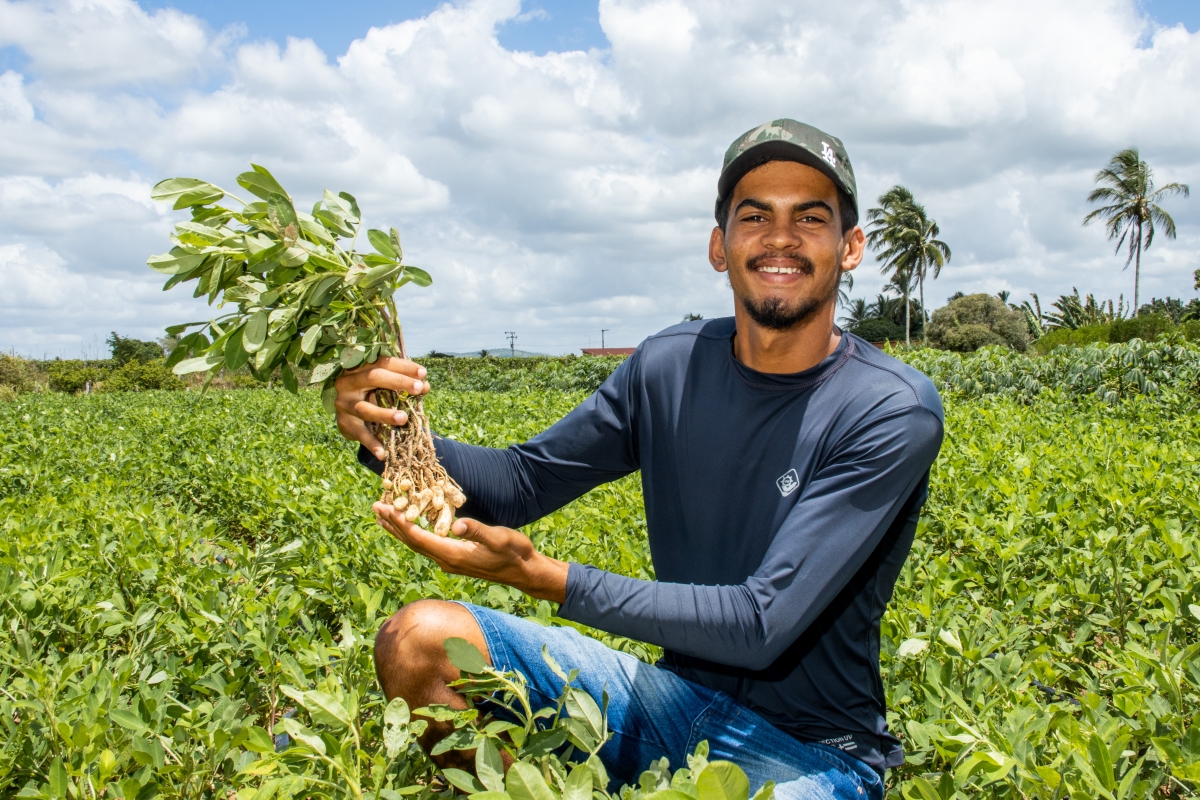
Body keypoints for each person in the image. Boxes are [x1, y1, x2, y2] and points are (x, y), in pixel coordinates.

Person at [334, 119, 944, 800]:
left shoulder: (888, 408)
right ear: (719, 246)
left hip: (811, 754)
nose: (780, 237)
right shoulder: (668, 368)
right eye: (755, 216)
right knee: (420, 640)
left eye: (810, 217)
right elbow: (520, 483)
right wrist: (386, 431)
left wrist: (547, 578)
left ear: (850, 246)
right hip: (671, 704)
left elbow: (761, 624)